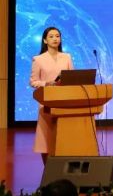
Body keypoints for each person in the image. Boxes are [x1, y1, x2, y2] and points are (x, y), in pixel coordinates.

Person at [30, 26, 74, 164]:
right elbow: (33, 82)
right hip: (47, 102)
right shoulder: (38, 59)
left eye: (57, 36)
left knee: (64, 136)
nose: (55, 39)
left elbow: (72, 78)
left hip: (64, 101)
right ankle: (48, 169)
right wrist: (47, 83)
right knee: (46, 138)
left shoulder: (67, 57)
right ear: (45, 40)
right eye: (51, 36)